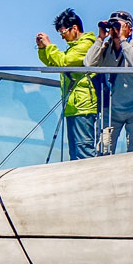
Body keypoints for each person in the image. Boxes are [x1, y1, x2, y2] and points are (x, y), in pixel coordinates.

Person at [37, 8, 98, 160]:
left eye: (63, 33)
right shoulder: (74, 48)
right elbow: (54, 62)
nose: (63, 38)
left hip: (83, 106)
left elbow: (64, 62)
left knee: (84, 150)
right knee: (74, 153)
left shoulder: (86, 45)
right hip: (73, 105)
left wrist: (49, 45)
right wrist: (42, 48)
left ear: (74, 28)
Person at [84, 10, 133, 154]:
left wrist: (123, 40)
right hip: (113, 108)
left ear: (129, 29)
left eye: (118, 26)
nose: (114, 30)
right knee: (104, 150)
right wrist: (100, 38)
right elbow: (88, 63)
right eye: (112, 25)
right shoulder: (106, 48)